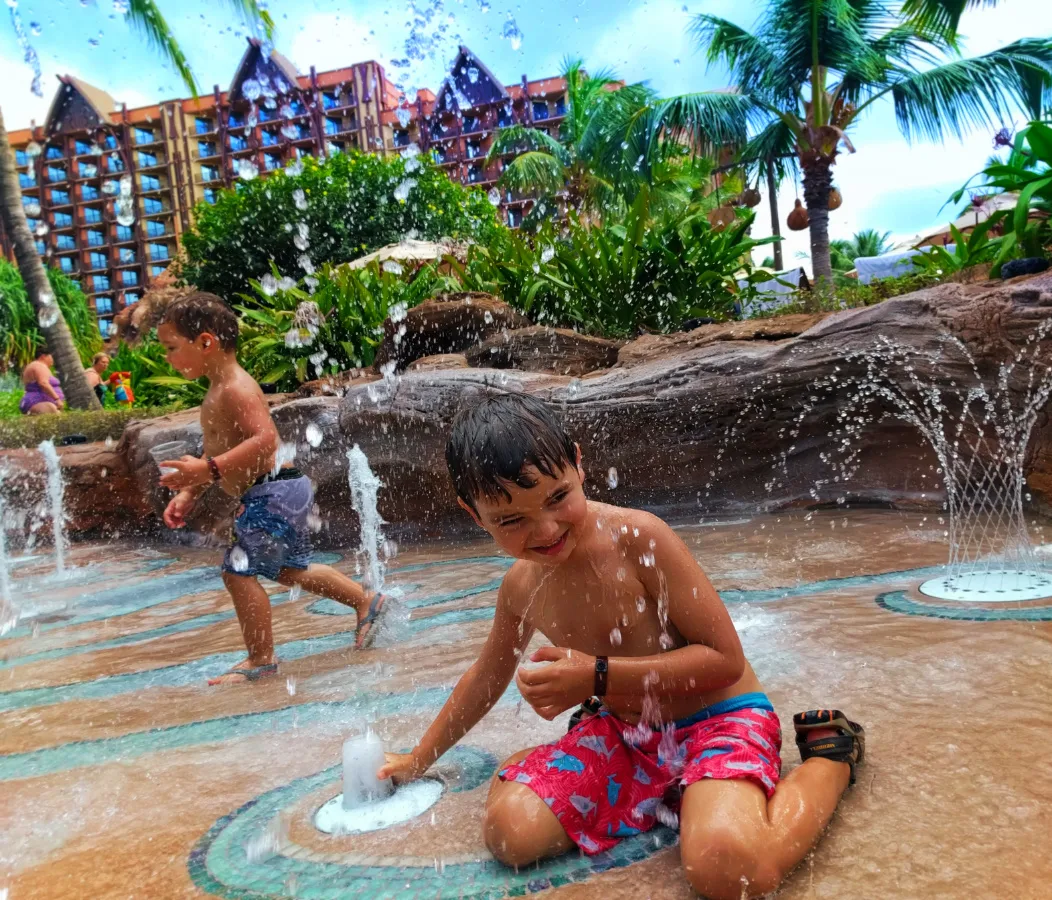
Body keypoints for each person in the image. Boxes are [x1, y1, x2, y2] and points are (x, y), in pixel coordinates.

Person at [377, 392, 865, 900]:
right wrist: (418, 757)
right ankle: (607, 764)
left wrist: (596, 677)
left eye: (557, 497)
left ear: (580, 465)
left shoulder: (639, 539)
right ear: (475, 516)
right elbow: (486, 677)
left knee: (728, 869)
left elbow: (725, 661)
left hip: (719, 718)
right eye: (510, 521)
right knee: (510, 831)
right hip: (627, 735)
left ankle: (831, 758)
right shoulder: (520, 588)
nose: (545, 530)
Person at [156, 291, 389, 685]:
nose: (168, 358)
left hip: (273, 490)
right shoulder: (217, 389)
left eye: (171, 348)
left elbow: (265, 440)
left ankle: (261, 658)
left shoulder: (235, 388)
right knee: (286, 570)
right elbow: (218, 450)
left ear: (206, 342)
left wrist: (209, 469)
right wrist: (189, 492)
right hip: (273, 490)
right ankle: (365, 599)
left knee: (238, 569)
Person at [20, 346, 65, 415]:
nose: (53, 360)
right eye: (51, 357)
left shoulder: (39, 366)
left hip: (43, 402)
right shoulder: (39, 365)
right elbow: (43, 383)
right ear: (44, 356)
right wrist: (57, 399)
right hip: (38, 402)